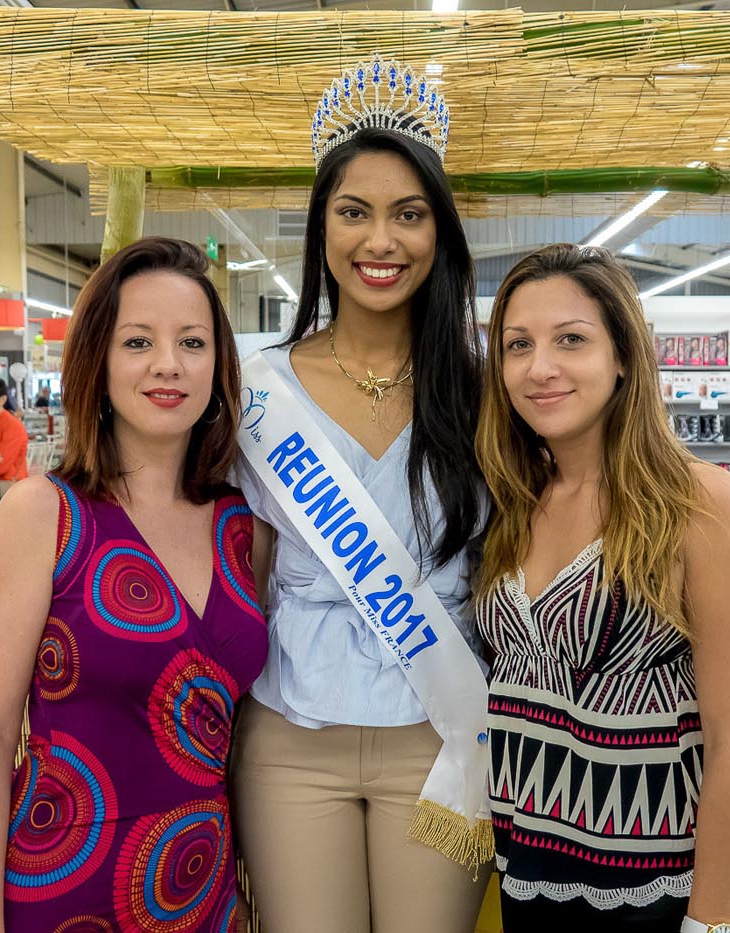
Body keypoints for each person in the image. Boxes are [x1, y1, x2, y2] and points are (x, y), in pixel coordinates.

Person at [231, 55, 491, 933]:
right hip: (289, 737)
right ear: (322, 228)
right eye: (354, 212)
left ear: (440, 233)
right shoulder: (256, 393)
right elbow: (245, 569)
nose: (380, 241)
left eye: (408, 215)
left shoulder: (484, 392)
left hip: (446, 737)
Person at [0, 237, 266, 932]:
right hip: (69, 886)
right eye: (138, 342)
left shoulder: (240, 524)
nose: (168, 365)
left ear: (219, 363)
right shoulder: (44, 515)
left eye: (192, 342)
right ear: (98, 359)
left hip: (204, 889)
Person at [474, 244, 730, 932]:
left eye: (570, 340)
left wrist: (711, 924)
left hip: (647, 891)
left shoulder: (700, 503)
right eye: (518, 345)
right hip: (523, 871)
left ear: (623, 357)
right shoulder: (517, 497)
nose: (539, 367)